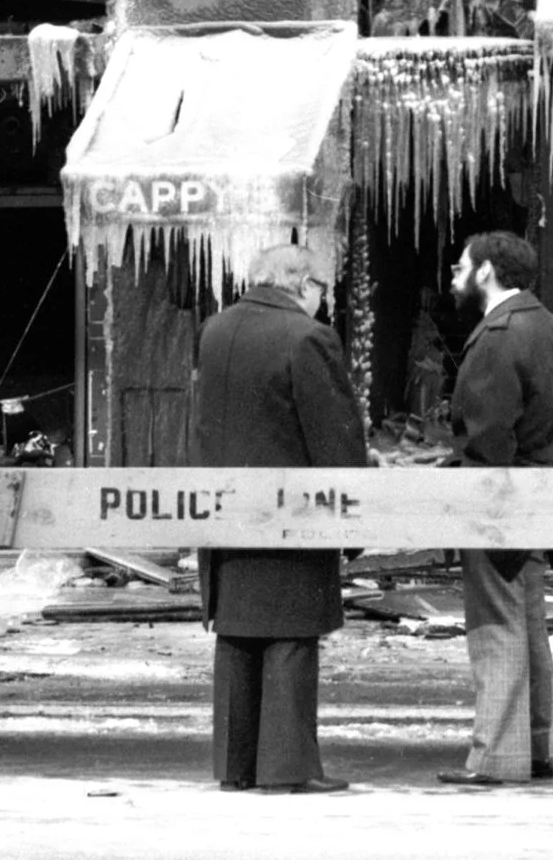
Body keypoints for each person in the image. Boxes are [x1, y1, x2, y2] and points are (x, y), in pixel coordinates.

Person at [192, 242, 368, 795]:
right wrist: (353, 518)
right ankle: (288, 770)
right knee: (292, 633)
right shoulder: (307, 337)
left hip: (224, 514)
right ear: (302, 284)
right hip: (293, 516)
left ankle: (236, 767)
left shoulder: (215, 330)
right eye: (324, 290)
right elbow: (334, 437)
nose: (325, 302)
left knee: (238, 635)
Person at [436, 230, 553, 789]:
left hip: (498, 501)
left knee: (496, 628)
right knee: (528, 626)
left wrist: (475, 499)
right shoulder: (549, 326)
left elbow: (487, 436)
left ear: (487, 272)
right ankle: (545, 749)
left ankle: (497, 757)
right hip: (540, 491)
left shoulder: (497, 335)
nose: (454, 276)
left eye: (461, 267)